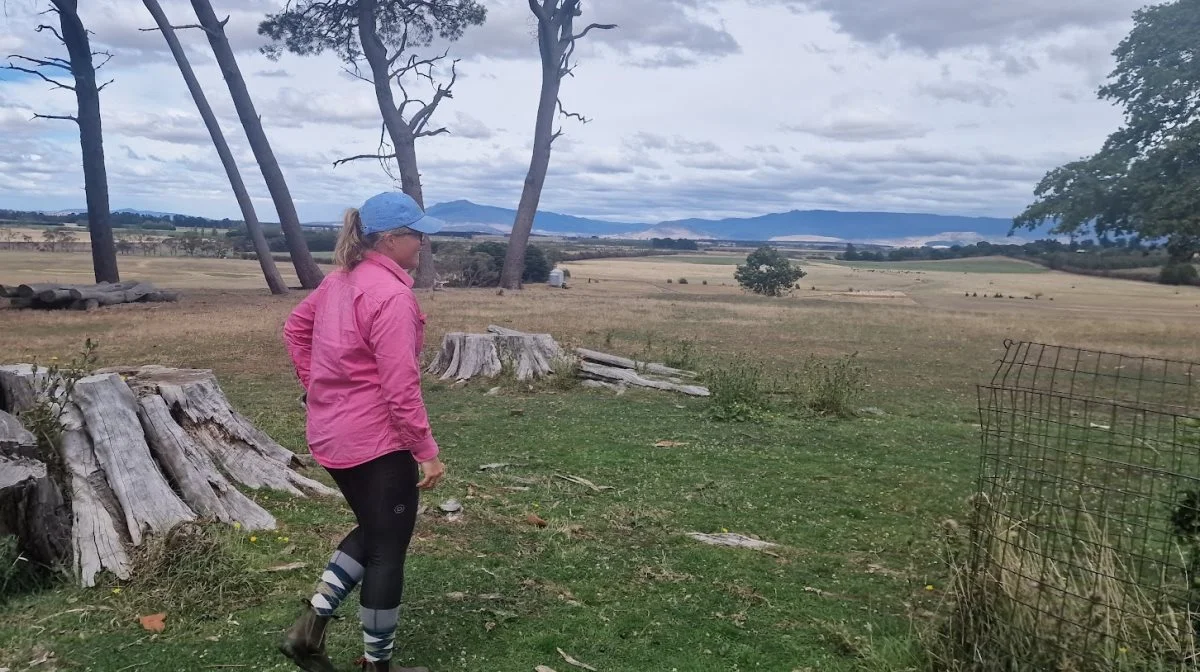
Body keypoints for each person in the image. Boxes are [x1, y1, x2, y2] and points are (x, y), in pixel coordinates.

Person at [280, 191, 446, 672]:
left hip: (333, 436)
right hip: (377, 442)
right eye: (417, 234)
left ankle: (308, 630)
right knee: (387, 550)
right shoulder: (391, 296)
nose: (423, 243)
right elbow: (400, 388)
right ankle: (378, 665)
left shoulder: (340, 281)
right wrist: (426, 451)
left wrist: (317, 388)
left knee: (375, 531)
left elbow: (295, 329)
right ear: (392, 240)